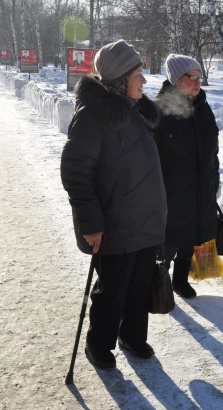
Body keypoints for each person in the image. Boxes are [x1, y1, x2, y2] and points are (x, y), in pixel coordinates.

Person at [60, 40, 166, 370]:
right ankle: (99, 345)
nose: (144, 81)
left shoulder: (135, 113)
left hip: (145, 223)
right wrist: (90, 224)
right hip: (114, 226)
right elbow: (76, 174)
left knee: (139, 288)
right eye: (138, 74)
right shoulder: (92, 118)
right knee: (113, 292)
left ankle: (132, 337)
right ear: (120, 78)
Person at [153, 54, 220, 299]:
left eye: (199, 77)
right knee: (168, 240)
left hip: (200, 185)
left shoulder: (202, 107)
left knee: (190, 237)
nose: (197, 82)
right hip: (171, 189)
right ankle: (159, 280)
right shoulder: (160, 110)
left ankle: (180, 280)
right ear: (174, 79)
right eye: (191, 77)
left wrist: (213, 174)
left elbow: (213, 145)